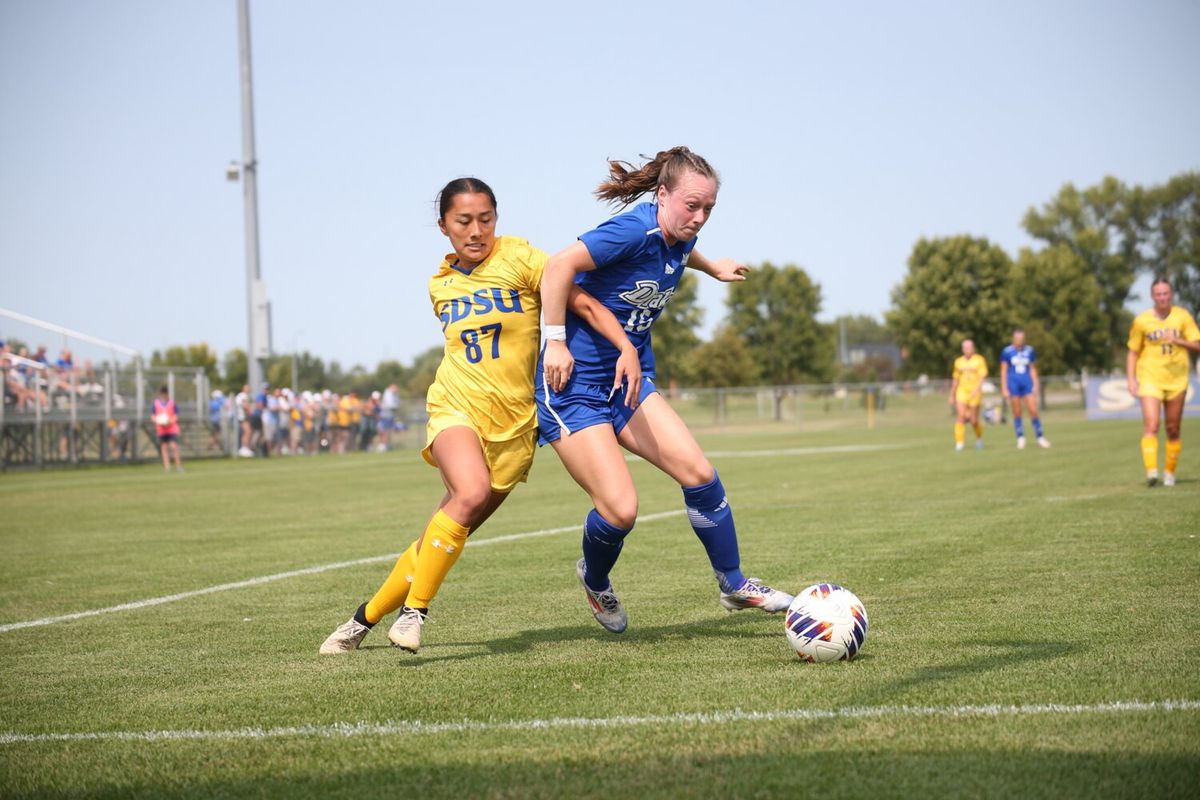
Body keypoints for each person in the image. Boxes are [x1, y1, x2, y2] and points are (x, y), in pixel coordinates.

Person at [320, 177, 634, 655]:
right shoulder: (439, 285)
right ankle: (415, 613)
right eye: (463, 221)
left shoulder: (523, 259)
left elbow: (584, 303)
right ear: (443, 225)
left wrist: (625, 348)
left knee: (444, 530)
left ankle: (360, 621)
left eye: (485, 219)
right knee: (469, 493)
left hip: (514, 427)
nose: (476, 230)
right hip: (455, 406)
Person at [537, 146, 793, 635]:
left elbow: (677, 244)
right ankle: (594, 578)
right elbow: (557, 267)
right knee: (621, 510)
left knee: (700, 474)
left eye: (708, 210)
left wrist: (711, 266)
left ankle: (733, 583)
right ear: (662, 196)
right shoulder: (634, 228)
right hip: (572, 386)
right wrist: (555, 342)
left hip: (627, 383)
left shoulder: (676, 233)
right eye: (691, 206)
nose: (698, 218)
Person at [1126, 276, 1200, 487]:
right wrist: (1131, 379)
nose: (1162, 297)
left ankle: (1169, 473)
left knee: (1173, 428)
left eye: (1165, 293)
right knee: (1151, 424)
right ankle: (1152, 472)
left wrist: (1178, 340)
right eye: (1158, 294)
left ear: (1171, 294)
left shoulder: (1183, 316)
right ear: (1152, 296)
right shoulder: (1141, 321)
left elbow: (1197, 344)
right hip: (1150, 377)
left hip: (1177, 379)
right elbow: (1132, 352)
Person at [999, 328, 1049, 450]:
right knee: (1017, 412)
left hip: (1027, 383)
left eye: (1021, 339)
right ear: (1013, 338)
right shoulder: (1007, 351)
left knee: (1033, 410)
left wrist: (1035, 384)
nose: (1019, 341)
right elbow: (1004, 370)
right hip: (1013, 384)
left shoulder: (1030, 350)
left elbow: (1032, 368)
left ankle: (1040, 437)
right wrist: (1004, 387)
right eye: (1017, 339)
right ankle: (1021, 438)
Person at [949, 339, 988, 451]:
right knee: (960, 416)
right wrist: (952, 395)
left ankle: (979, 438)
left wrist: (977, 390)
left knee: (973, 420)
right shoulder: (958, 362)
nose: (967, 350)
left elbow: (982, 377)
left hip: (974, 393)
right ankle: (959, 442)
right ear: (962, 349)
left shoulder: (979, 360)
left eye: (969, 347)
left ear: (973, 348)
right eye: (965, 348)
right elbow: (955, 379)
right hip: (962, 392)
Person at [152, 385, 183, 473]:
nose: (164, 396)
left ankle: (178, 465)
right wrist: (158, 421)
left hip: (171, 428)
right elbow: (153, 416)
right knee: (164, 447)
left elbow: (176, 415)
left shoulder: (172, 403)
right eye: (162, 394)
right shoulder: (156, 403)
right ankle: (167, 466)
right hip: (161, 429)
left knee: (174, 446)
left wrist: (169, 422)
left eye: (165, 394)